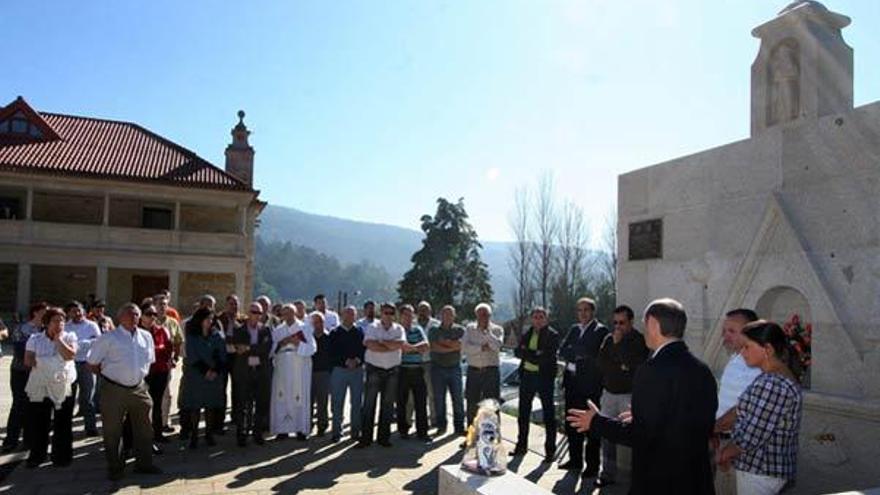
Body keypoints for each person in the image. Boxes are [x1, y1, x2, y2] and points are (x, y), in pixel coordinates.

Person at [566, 298, 717, 495]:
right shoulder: (702, 370)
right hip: (696, 480)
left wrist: (596, 422)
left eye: (645, 324)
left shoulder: (652, 371)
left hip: (661, 481)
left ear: (653, 324)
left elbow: (641, 435)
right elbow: (685, 421)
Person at [717, 320, 803, 495]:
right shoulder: (769, 377)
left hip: (761, 472)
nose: (742, 353)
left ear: (768, 350)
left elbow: (751, 436)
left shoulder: (774, 384)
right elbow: (741, 411)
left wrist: (722, 455)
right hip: (760, 471)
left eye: (747, 347)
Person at [87, 303, 161, 481]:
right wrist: (109, 377)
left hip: (139, 388)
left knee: (144, 429)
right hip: (114, 389)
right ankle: (115, 467)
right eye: (130, 314)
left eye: (136, 314)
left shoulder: (146, 336)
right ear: (120, 318)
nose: (134, 317)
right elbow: (92, 363)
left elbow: (150, 360)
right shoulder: (108, 338)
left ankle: (144, 463)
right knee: (113, 430)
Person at [594, 304, 649, 487]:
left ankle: (638, 478)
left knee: (634, 436)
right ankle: (608, 473)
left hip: (629, 396)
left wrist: (618, 351)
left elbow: (633, 364)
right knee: (607, 435)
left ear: (631, 322)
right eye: (615, 323)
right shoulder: (609, 338)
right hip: (610, 393)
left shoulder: (638, 340)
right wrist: (620, 363)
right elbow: (601, 363)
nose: (617, 327)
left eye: (622, 323)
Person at [713, 308, 761, 495]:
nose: (725, 336)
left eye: (732, 331)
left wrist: (712, 430)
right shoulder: (736, 358)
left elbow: (743, 411)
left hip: (741, 450)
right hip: (725, 442)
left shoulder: (756, 366)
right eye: (724, 330)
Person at [23, 307, 78, 468]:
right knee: (40, 421)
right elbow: (28, 360)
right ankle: (37, 455)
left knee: (63, 421)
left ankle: (62, 456)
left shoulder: (69, 337)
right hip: (42, 384)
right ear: (47, 323)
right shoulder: (35, 339)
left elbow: (69, 356)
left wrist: (58, 340)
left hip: (64, 383)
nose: (60, 324)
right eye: (55, 320)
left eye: (62, 320)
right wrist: (52, 366)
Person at [559, 298, 608, 475]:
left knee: (590, 426)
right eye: (580, 310)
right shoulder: (574, 329)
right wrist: (576, 352)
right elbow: (563, 350)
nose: (583, 313)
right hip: (571, 382)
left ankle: (592, 466)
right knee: (572, 422)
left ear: (593, 312)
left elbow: (590, 352)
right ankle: (575, 460)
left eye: (586, 310)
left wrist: (575, 351)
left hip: (589, 386)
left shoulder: (600, 330)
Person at [512, 306, 560, 461]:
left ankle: (550, 451)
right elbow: (517, 352)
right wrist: (533, 353)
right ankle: (521, 446)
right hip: (527, 376)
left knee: (548, 414)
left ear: (546, 319)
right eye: (535, 317)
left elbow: (545, 357)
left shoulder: (553, 335)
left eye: (541, 317)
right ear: (531, 319)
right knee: (523, 413)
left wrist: (528, 353)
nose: (538, 320)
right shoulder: (528, 333)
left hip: (544, 377)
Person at [356, 303, 405, 448]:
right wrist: (389, 345)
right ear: (381, 313)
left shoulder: (399, 328)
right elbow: (371, 345)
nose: (388, 315)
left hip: (392, 371)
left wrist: (381, 342)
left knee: (388, 406)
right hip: (374, 370)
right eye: (385, 312)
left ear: (394, 314)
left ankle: (383, 438)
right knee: (369, 405)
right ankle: (365, 438)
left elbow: (400, 344)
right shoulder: (372, 327)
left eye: (391, 313)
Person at [2, 301, 48, 453]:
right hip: (21, 371)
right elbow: (20, 350)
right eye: (45, 312)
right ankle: (11, 440)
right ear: (36, 312)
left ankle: (29, 440)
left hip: (39, 373)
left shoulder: (47, 330)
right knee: (19, 405)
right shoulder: (22, 328)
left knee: (34, 406)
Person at [180, 308, 228, 449]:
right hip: (196, 375)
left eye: (211, 319)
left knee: (210, 406)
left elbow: (222, 354)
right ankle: (194, 434)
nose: (210, 321)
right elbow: (192, 355)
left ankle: (208, 434)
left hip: (213, 375)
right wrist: (205, 371)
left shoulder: (217, 335)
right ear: (200, 320)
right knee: (195, 406)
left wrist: (215, 370)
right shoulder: (192, 336)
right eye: (207, 318)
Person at [270, 305, 316, 440]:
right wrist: (281, 343)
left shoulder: (304, 328)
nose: (287, 316)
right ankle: (282, 430)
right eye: (284, 314)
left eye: (290, 313)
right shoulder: (278, 330)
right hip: (283, 365)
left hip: (299, 365)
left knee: (299, 395)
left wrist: (297, 343)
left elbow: (312, 348)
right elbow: (272, 349)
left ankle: (300, 429)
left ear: (295, 313)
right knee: (281, 395)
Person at [231, 302, 273, 446]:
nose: (256, 315)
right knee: (242, 405)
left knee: (260, 405)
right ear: (248, 313)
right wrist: (254, 349)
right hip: (244, 372)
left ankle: (257, 433)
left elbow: (265, 349)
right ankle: (241, 434)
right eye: (254, 312)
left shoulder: (266, 330)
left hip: (260, 373)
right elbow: (238, 347)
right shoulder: (239, 329)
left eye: (259, 313)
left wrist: (248, 347)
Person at [328, 305, 365, 443]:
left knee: (356, 402)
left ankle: (355, 432)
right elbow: (331, 353)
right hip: (339, 371)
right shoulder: (334, 332)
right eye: (347, 313)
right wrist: (345, 361)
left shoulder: (360, 332)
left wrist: (357, 360)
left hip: (357, 370)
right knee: (337, 402)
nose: (350, 316)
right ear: (342, 315)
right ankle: (336, 432)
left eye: (352, 314)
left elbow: (364, 349)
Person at [462, 303, 504, 426]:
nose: (483, 317)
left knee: (491, 404)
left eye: (486, 315)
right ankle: (471, 435)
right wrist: (481, 348)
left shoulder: (497, 329)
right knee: (471, 404)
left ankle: (491, 436)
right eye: (480, 315)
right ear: (476, 315)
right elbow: (464, 348)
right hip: (474, 370)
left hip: (491, 371)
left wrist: (488, 333)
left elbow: (497, 347)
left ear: (490, 315)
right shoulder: (469, 329)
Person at [429, 305, 466, 436]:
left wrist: (444, 343)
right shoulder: (433, 330)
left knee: (458, 399)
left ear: (454, 316)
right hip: (437, 368)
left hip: (455, 368)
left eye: (450, 314)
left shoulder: (460, 330)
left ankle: (459, 427)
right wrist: (452, 346)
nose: (447, 316)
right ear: (440, 316)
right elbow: (434, 348)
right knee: (439, 399)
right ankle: (441, 426)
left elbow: (461, 345)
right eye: (445, 314)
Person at [65, 301, 101, 437]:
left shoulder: (92, 326)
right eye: (74, 311)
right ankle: (65, 427)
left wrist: (77, 344)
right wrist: (85, 343)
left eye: (79, 310)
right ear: (68, 313)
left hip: (87, 364)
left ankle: (90, 427)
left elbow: (97, 342)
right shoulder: (66, 327)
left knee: (88, 398)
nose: (78, 314)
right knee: (69, 397)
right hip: (70, 364)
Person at [140, 304, 173, 445]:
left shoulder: (162, 331)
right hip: (141, 374)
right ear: (141, 315)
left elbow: (168, 349)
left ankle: (157, 433)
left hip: (160, 372)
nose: (152, 317)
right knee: (141, 406)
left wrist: (169, 361)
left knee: (157, 404)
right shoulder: (136, 332)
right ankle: (140, 435)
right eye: (148, 314)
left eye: (154, 314)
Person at [396, 304, 431, 442]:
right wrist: (416, 348)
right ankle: (403, 430)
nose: (409, 317)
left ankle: (422, 432)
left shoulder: (418, 329)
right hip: (402, 370)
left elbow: (426, 346)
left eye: (411, 314)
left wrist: (409, 348)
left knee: (421, 402)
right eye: (406, 314)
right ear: (401, 316)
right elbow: (400, 347)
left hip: (417, 369)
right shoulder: (397, 330)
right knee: (402, 402)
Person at [154, 293, 183, 435]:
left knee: (166, 394)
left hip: (166, 364)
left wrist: (176, 357)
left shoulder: (172, 322)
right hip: (150, 365)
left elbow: (178, 340)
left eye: (164, 304)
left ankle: (164, 423)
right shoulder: (149, 321)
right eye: (159, 304)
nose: (162, 307)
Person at [217, 294, 244, 434]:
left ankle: (237, 417)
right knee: (221, 389)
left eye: (236, 304)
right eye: (231, 303)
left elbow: (244, 337)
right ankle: (219, 420)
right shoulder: (219, 319)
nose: (234, 306)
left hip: (237, 358)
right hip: (223, 357)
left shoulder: (242, 320)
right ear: (226, 305)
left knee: (238, 388)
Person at [415, 301, 439, 427]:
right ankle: (412, 420)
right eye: (421, 309)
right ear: (417, 311)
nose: (423, 312)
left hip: (430, 362)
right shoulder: (413, 324)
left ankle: (434, 419)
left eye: (426, 309)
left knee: (431, 393)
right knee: (413, 395)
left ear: (430, 311)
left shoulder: (436, 324)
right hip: (414, 363)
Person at [310, 312, 332, 437]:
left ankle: (322, 426)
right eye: (316, 322)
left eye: (320, 322)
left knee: (322, 402)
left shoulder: (329, 337)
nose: (318, 324)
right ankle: (307, 426)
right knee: (309, 401)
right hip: (310, 372)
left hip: (324, 373)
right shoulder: (309, 338)